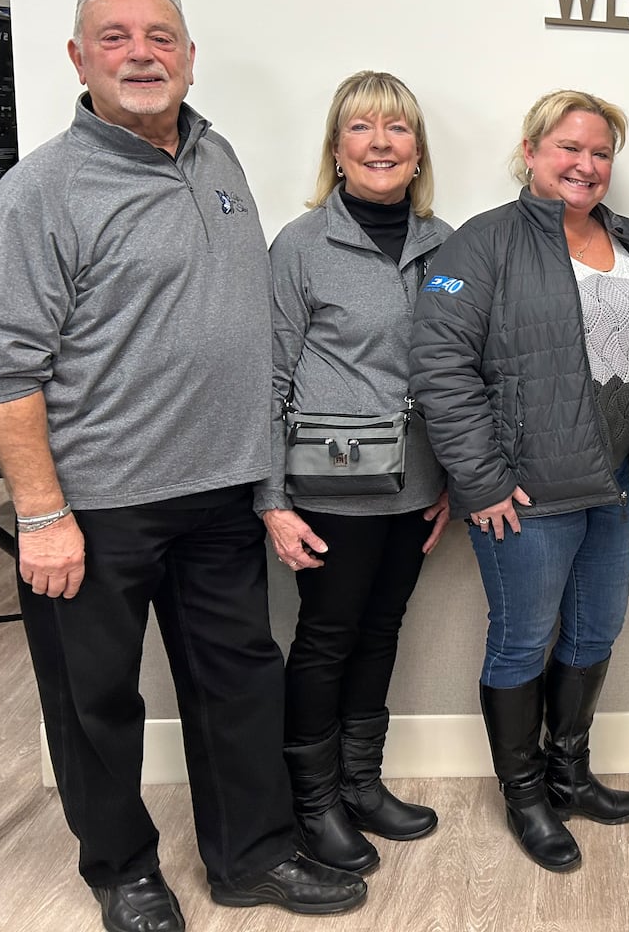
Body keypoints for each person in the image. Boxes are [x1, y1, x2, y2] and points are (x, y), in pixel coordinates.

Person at [0, 0, 366, 932]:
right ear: (76, 59)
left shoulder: (217, 157)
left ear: (188, 55)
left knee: (239, 687)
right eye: (116, 38)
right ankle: (122, 868)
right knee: (96, 703)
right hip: (95, 508)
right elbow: (1, 368)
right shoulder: (42, 190)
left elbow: (245, 333)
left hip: (220, 495)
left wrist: (264, 485)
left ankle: (251, 854)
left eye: (161, 36)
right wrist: (44, 515)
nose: (142, 53)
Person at [410, 88, 629, 872]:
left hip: (614, 485)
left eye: (601, 152)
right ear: (532, 152)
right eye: (569, 147)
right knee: (523, 642)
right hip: (527, 494)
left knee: (596, 632)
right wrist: (481, 481)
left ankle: (571, 774)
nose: (586, 163)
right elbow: (440, 367)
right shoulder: (484, 243)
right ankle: (526, 795)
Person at [255, 71, 453, 874]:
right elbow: (266, 378)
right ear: (337, 151)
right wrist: (271, 500)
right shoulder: (301, 247)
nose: (381, 143)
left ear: (416, 153)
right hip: (329, 494)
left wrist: (456, 485)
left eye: (397, 130)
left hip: (416, 491)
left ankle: (362, 785)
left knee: (381, 635)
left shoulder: (449, 245)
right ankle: (315, 805)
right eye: (362, 129)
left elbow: (463, 371)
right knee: (327, 641)